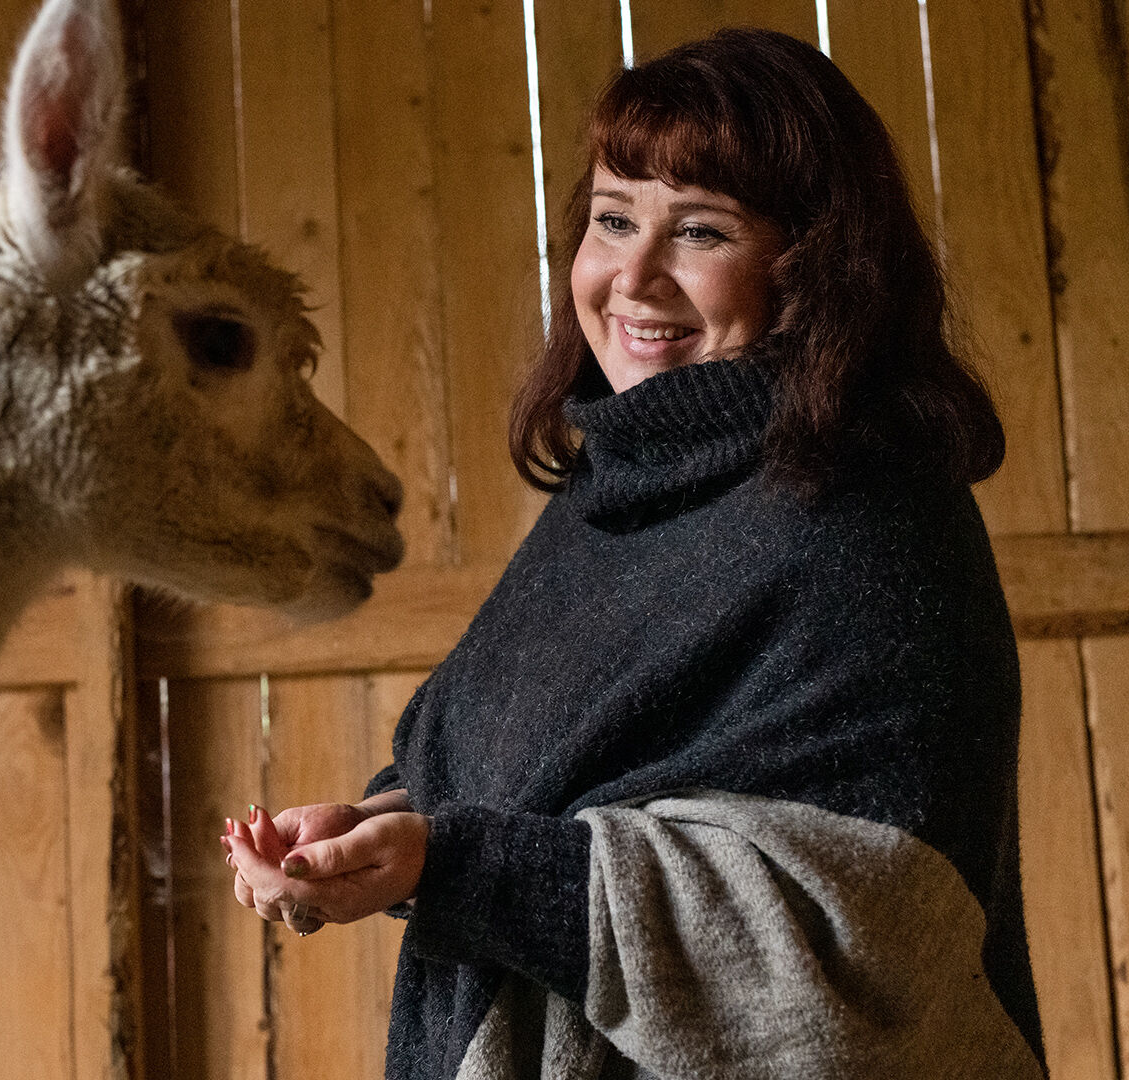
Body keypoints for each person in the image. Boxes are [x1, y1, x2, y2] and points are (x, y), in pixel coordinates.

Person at [221, 27, 1048, 1080]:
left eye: (699, 232)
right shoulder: (609, 499)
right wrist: (370, 832)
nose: (634, 278)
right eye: (614, 220)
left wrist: (448, 859)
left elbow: (872, 939)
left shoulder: (874, 527)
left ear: (817, 267)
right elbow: (532, 782)